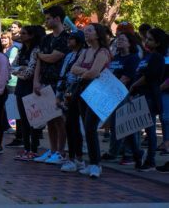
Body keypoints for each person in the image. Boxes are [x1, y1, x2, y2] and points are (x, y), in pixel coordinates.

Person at [70, 24, 112, 179]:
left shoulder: (103, 52)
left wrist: (84, 72)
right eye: (85, 31)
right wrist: (85, 73)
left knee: (90, 127)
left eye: (89, 31)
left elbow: (94, 73)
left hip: (98, 92)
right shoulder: (86, 51)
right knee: (85, 128)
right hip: (83, 91)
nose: (86, 33)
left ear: (98, 34)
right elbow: (73, 68)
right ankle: (92, 163)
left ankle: (96, 165)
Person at [126, 27, 166, 172]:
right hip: (139, 95)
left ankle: (150, 160)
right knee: (130, 127)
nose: (146, 41)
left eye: (150, 39)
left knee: (149, 130)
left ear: (158, 43)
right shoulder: (147, 56)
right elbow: (139, 73)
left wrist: (133, 86)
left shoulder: (157, 57)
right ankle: (138, 154)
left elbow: (149, 76)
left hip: (150, 96)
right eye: (146, 38)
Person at [32, 6, 69, 165]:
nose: (46, 22)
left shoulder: (66, 38)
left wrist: (40, 55)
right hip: (45, 82)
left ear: (57, 18)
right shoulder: (46, 39)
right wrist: (36, 81)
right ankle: (52, 150)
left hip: (59, 83)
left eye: (48, 18)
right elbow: (39, 61)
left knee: (60, 119)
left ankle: (61, 151)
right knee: (49, 118)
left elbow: (55, 57)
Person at [102, 32, 142, 163]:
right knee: (114, 125)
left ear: (130, 43)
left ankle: (130, 153)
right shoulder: (116, 57)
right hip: (113, 95)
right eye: (118, 39)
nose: (119, 41)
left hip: (126, 95)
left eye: (122, 39)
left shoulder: (133, 58)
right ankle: (114, 151)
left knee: (126, 125)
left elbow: (126, 78)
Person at [11, 25, 43, 161]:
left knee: (33, 119)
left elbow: (30, 73)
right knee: (23, 120)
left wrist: (21, 71)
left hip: (31, 88)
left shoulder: (36, 51)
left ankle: (34, 149)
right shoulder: (22, 50)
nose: (21, 35)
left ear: (31, 35)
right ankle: (26, 147)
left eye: (24, 33)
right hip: (20, 88)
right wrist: (21, 69)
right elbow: (12, 67)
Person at [59, 31, 86, 172]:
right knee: (69, 124)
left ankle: (78, 158)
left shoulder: (85, 54)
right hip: (69, 92)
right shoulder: (69, 56)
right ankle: (72, 157)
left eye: (72, 39)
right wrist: (59, 94)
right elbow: (63, 75)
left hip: (81, 92)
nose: (68, 42)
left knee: (77, 126)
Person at [1, 32, 22, 148]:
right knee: (6, 105)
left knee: (12, 107)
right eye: (2, 38)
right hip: (5, 81)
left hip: (12, 81)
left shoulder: (13, 49)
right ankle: (7, 126)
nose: (3, 40)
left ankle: (17, 133)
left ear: (10, 39)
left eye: (5, 38)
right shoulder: (3, 50)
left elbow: (11, 64)